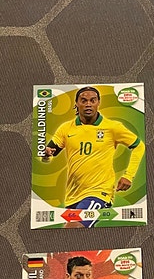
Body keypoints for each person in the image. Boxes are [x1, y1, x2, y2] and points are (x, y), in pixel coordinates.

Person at [42, 86, 145, 227]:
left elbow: (139, 146)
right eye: (84, 100)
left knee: (74, 227)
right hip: (72, 195)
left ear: (98, 103)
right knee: (70, 234)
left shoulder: (112, 127)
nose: (88, 104)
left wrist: (129, 175)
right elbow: (49, 154)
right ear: (77, 103)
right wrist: (45, 154)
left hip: (99, 192)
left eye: (92, 100)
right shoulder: (65, 128)